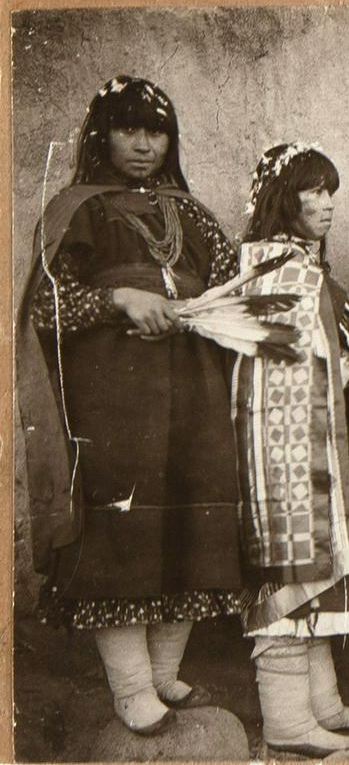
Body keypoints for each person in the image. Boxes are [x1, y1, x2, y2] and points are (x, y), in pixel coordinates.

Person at [17, 75, 242, 735]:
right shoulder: (77, 210)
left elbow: (233, 287)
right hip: (114, 402)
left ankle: (166, 672)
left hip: (194, 392)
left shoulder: (193, 214)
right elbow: (44, 305)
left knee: (193, 522)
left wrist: (207, 311)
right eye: (128, 129)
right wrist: (120, 299)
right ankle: (131, 686)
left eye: (156, 131)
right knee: (125, 530)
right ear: (101, 135)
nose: (144, 145)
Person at [232, 143, 349, 756]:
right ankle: (287, 721)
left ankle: (321, 703)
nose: (326, 204)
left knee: (320, 578)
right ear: (281, 199)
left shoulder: (303, 268)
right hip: (285, 451)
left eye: (330, 192)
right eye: (312, 191)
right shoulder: (274, 273)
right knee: (290, 576)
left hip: (319, 440)